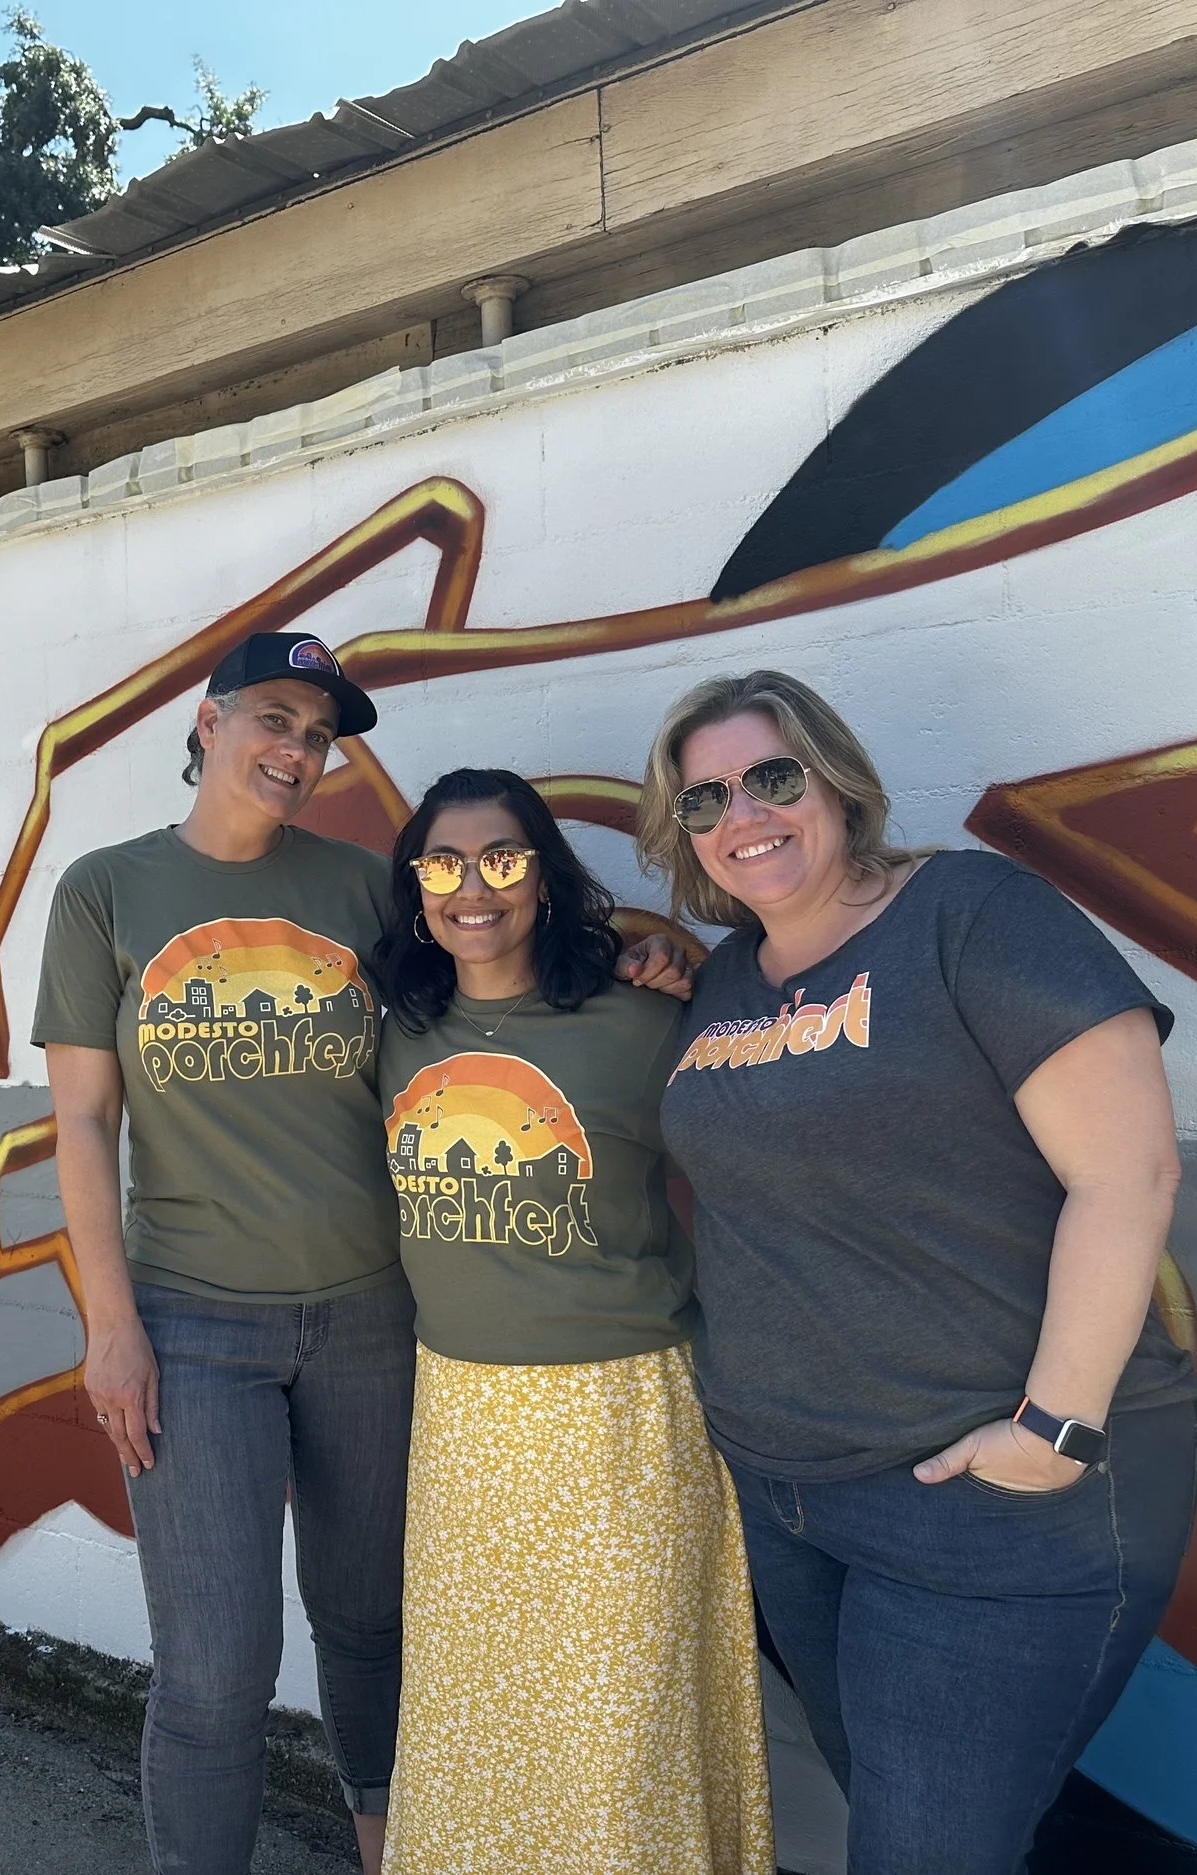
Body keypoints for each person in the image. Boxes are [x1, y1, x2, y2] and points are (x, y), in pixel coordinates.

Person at [34, 634, 686, 1875]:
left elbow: (500, 924)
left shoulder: (360, 887)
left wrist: (656, 942)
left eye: (319, 735)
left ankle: (388, 1851)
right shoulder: (104, 893)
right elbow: (80, 1120)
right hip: (193, 1323)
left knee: (373, 1627)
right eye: (274, 718)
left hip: (377, 1318)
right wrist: (109, 1326)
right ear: (208, 722)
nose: (296, 750)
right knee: (217, 1668)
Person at [636, 671, 1197, 1875]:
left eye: (771, 777)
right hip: (791, 1496)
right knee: (923, 1833)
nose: (744, 814)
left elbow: (1130, 1176)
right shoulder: (727, 980)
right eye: (703, 800)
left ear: (834, 780)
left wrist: (1050, 1432)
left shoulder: (972, 912)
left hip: (981, 1495)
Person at [369, 768, 775, 1875]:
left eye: (502, 859)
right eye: (443, 864)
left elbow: (780, 1161)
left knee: (620, 1738)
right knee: (479, 1725)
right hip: (461, 1424)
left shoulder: (644, 1021)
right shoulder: (391, 1031)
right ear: (414, 891)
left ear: (543, 879)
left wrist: (681, 963)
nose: (473, 888)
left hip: (622, 1419)